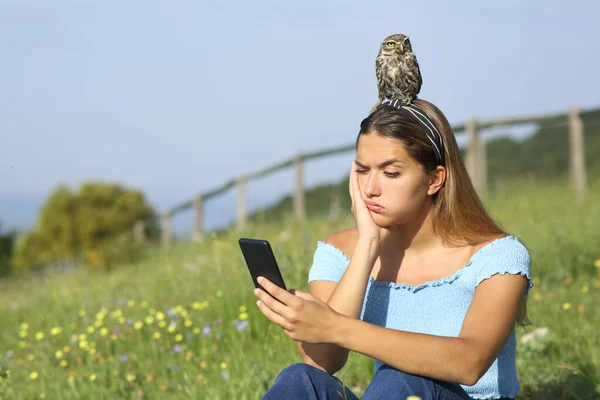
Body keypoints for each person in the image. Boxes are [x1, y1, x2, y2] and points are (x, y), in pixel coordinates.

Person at [252, 98, 533, 400]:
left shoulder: (497, 255)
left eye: (391, 173)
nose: (370, 188)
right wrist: (368, 245)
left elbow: (470, 362)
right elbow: (322, 361)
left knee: (399, 378)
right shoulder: (339, 251)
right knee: (300, 379)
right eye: (362, 170)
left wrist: (335, 326)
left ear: (435, 179)